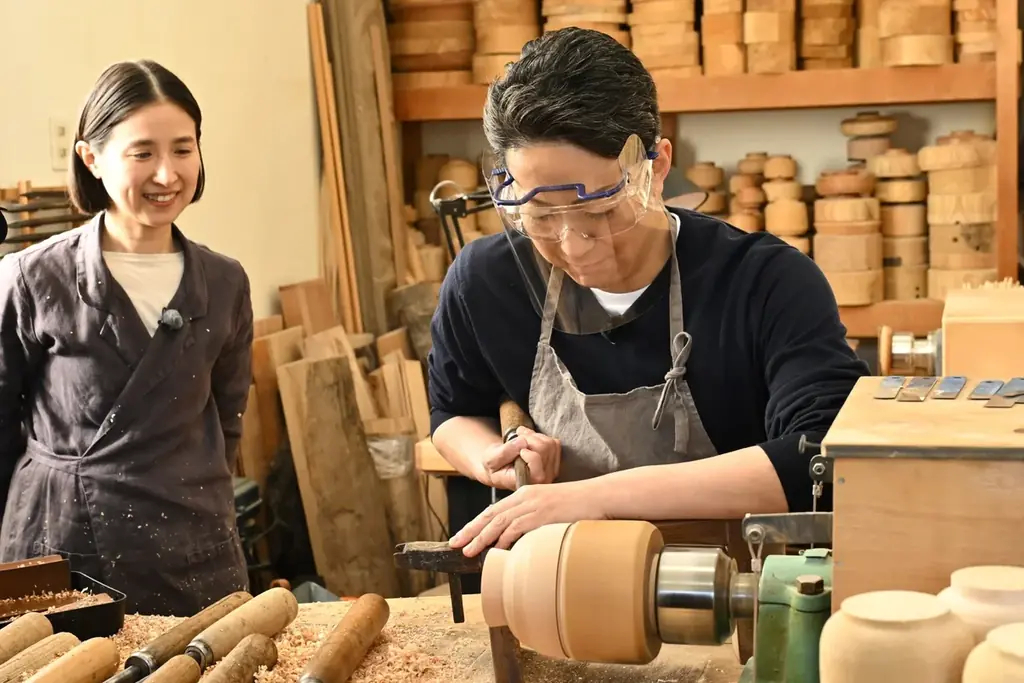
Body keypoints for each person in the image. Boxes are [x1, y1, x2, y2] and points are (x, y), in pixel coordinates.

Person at [426, 27, 870, 569]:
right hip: (563, 594)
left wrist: (594, 498)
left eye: (598, 213)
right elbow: (453, 411)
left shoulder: (765, 283)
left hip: (734, 599)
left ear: (656, 168)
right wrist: (493, 459)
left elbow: (820, 459)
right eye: (540, 217)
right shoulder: (486, 282)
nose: (573, 245)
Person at [0, 60, 253, 616]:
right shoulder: (33, 277)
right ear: (91, 158)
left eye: (183, 149)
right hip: (64, 544)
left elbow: (227, 419)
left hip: (192, 546)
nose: (167, 174)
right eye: (143, 153)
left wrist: (187, 481)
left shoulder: (225, 280)